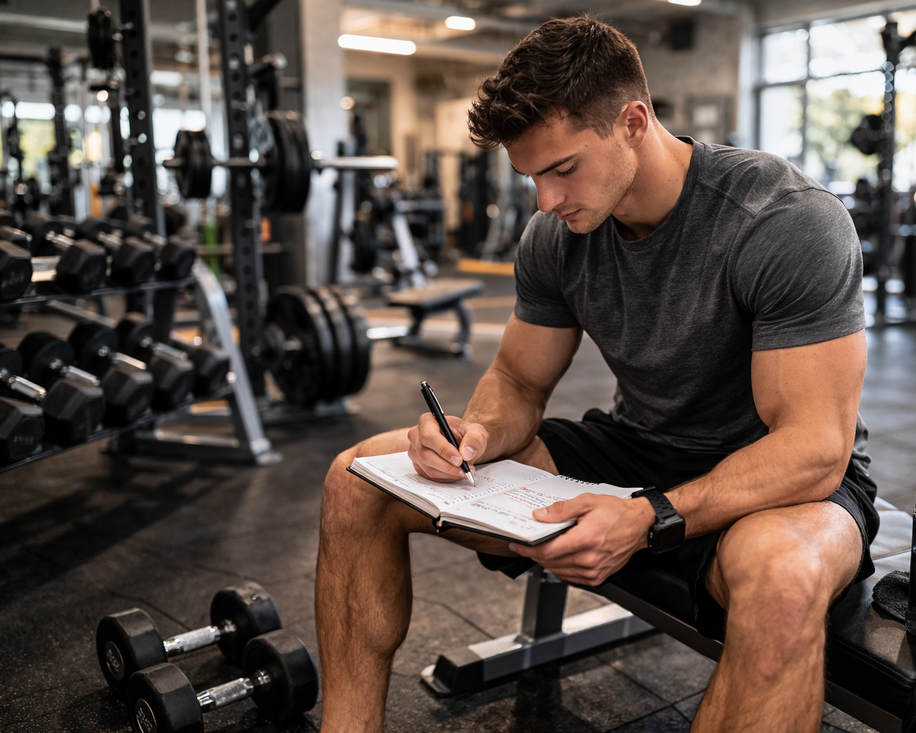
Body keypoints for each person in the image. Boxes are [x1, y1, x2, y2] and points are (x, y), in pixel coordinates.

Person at [316, 15, 878, 733]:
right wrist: (475, 435)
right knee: (357, 478)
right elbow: (519, 380)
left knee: (783, 579)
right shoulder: (557, 235)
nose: (545, 200)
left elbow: (813, 448)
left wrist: (649, 517)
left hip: (779, 479)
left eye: (562, 169)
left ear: (633, 122)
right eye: (530, 177)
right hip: (640, 446)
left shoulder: (782, 222)